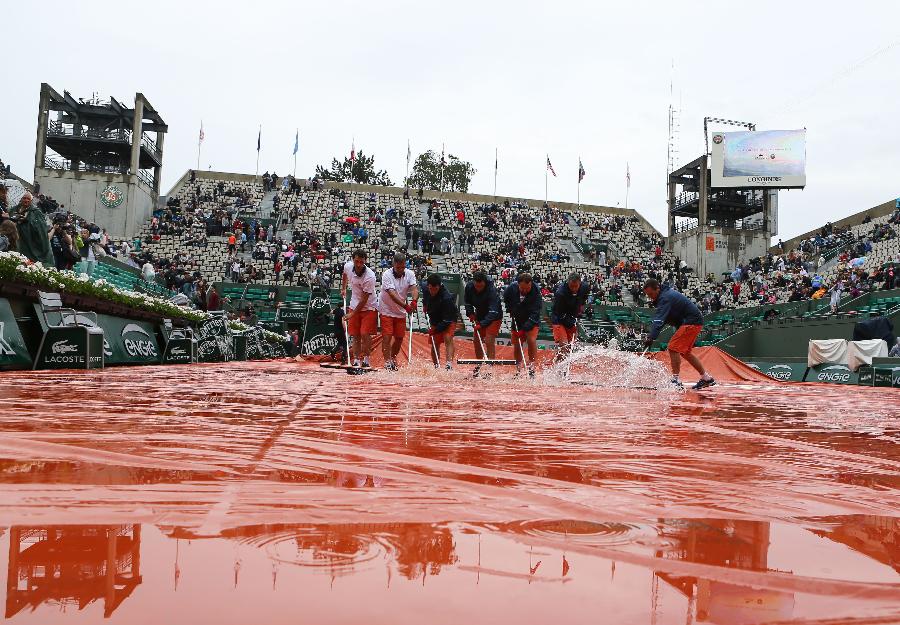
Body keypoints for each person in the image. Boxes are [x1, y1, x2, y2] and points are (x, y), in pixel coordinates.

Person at [642, 278, 716, 390]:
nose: (650, 297)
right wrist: (652, 336)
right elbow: (664, 319)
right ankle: (706, 378)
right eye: (648, 295)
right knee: (685, 352)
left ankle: (675, 380)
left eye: (651, 294)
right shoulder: (664, 295)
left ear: (657, 288)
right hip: (693, 321)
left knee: (673, 347)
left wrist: (651, 337)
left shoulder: (664, 298)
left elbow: (659, 320)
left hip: (691, 322)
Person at [378, 252, 419, 371]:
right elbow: (392, 294)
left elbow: (414, 289)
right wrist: (406, 306)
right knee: (387, 337)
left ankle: (392, 358)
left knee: (399, 338)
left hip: (400, 312)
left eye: (403, 267)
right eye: (398, 267)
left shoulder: (410, 274)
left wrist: (414, 301)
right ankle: (387, 362)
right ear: (393, 264)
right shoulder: (386, 274)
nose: (401, 270)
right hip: (386, 309)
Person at [341, 249, 378, 368]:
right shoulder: (348, 266)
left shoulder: (370, 276)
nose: (358, 264)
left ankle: (366, 360)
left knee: (365, 333)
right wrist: (343, 288)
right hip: (354, 304)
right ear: (353, 260)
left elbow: (364, 300)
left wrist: (351, 314)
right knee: (355, 334)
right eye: (356, 261)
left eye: (361, 262)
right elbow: (345, 275)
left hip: (369, 307)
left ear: (365, 261)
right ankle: (356, 360)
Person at [503, 272, 542, 376]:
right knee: (517, 344)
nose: (524, 291)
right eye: (522, 289)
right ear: (518, 284)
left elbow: (535, 313)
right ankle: (518, 367)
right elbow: (505, 298)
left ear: (531, 284)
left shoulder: (536, 293)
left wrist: (524, 329)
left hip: (531, 320)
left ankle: (532, 366)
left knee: (531, 339)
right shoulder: (511, 288)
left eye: (527, 288)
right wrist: (509, 308)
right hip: (517, 318)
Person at [463, 271, 503, 364]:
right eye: (476, 286)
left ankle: (490, 365)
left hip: (494, 317)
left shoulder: (492, 291)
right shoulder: (469, 287)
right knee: (477, 341)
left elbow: (493, 311)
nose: (478, 288)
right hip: (480, 315)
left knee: (489, 339)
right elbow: (467, 301)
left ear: (485, 283)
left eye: (481, 286)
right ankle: (479, 364)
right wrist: (470, 313)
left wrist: (481, 324)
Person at [551, 273, 590, 361]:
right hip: (559, 319)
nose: (574, 289)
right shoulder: (560, 293)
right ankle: (557, 368)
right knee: (564, 345)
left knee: (570, 346)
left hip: (572, 316)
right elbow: (559, 313)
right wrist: (570, 321)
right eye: (571, 286)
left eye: (576, 286)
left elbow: (584, 297)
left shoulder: (585, 287)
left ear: (580, 283)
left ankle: (563, 365)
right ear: (568, 283)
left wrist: (581, 306)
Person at [422, 273, 457, 369]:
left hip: (449, 318)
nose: (433, 291)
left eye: (435, 289)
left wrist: (436, 329)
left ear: (439, 286)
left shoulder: (447, 298)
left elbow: (447, 320)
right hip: (434, 316)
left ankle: (449, 364)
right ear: (428, 285)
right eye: (431, 289)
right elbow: (425, 297)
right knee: (434, 342)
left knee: (447, 337)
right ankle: (436, 366)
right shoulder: (425, 288)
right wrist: (425, 304)